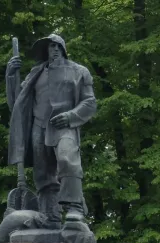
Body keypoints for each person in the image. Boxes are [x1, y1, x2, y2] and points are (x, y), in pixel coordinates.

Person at [6, 34, 97, 227]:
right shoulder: (35, 73)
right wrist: (11, 75)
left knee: (67, 159)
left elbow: (89, 102)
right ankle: (50, 216)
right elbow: (18, 104)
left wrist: (71, 116)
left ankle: (75, 208)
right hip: (39, 127)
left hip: (64, 125)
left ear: (63, 48)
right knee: (43, 173)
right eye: (50, 46)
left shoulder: (79, 71)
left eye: (57, 46)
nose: (54, 49)